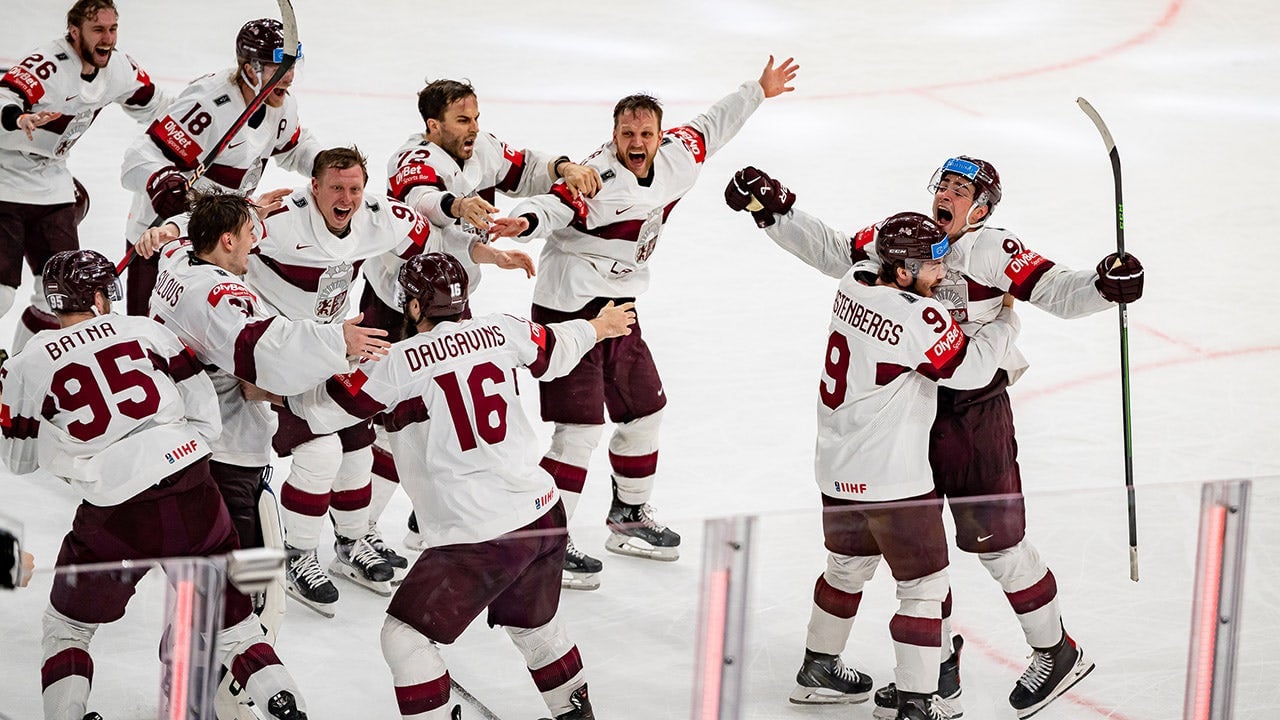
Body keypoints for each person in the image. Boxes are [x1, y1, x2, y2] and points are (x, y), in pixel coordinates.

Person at [726, 159, 1145, 718]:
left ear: (981, 209)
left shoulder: (994, 249)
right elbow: (835, 252)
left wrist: (1101, 286)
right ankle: (935, 676)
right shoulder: (905, 239)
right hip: (910, 415)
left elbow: (1056, 290)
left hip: (973, 415)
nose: (945, 194)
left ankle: (1055, 651)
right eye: (942, 184)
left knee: (999, 545)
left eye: (960, 189)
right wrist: (777, 215)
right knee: (924, 557)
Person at [262, 252, 635, 719]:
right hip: (542, 516)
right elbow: (558, 347)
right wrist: (599, 326)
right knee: (537, 628)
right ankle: (576, 714)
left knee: (404, 637)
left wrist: (266, 389)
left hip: (478, 534)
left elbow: (320, 411)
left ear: (415, 307)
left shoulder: (395, 361)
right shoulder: (502, 328)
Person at [489, 55, 799, 589]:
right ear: (612, 136)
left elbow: (712, 125)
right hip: (571, 309)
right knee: (579, 432)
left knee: (645, 412)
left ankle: (628, 515)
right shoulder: (600, 176)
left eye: (646, 132)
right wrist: (525, 222)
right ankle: (547, 546)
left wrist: (759, 89)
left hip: (623, 307)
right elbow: (557, 204)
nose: (637, 141)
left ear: (659, 136)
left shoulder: (678, 154)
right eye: (627, 133)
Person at [0, 249, 308, 720]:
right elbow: (204, 413)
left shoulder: (27, 362)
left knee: (67, 629)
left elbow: (18, 461)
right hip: (194, 490)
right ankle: (286, 707)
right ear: (102, 297)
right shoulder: (147, 330)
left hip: (114, 512)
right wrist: (175, 454)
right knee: (236, 630)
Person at [749, 212, 1020, 720]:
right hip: (893, 479)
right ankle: (917, 705)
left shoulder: (855, 283)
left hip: (835, 468)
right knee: (924, 587)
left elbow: (856, 250)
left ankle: (818, 669)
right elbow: (974, 369)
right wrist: (1006, 319)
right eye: (932, 266)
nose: (943, 275)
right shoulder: (919, 318)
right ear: (901, 271)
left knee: (846, 568)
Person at [245, 146, 534, 617]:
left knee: (360, 447)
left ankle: (352, 540)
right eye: (336, 188)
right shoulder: (276, 220)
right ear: (313, 187)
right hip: (278, 345)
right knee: (319, 452)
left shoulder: (378, 215)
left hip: (340, 342)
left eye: (354, 188)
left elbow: (433, 244)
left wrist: (489, 255)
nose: (347, 197)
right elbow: (216, 242)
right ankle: (296, 555)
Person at [134, 189, 390, 646]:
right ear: (228, 240)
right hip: (226, 451)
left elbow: (176, 235)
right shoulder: (221, 295)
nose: (258, 240)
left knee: (211, 572)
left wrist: (171, 228)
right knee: (239, 583)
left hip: (184, 437)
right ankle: (214, 673)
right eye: (251, 233)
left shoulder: (177, 259)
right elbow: (267, 352)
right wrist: (339, 343)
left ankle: (206, 663)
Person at [378, 78, 603, 552]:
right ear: (432, 125)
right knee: (393, 419)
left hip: (451, 297)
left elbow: (527, 167)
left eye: (476, 117)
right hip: (401, 302)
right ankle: (354, 532)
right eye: (463, 120)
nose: (474, 128)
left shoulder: (481, 147)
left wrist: (565, 166)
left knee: (444, 413)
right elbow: (421, 197)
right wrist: (458, 205)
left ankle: (429, 519)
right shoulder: (414, 158)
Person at [119, 17, 320, 317]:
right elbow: (137, 158)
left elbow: (296, 148)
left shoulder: (282, 105)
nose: (289, 77)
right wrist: (161, 181)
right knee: (152, 338)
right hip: (163, 238)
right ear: (251, 69)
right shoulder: (209, 103)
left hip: (221, 240)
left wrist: (328, 166)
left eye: (293, 66)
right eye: (280, 67)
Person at [0, 0, 169, 354]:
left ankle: (20, 368)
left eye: (112, 29)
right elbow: (5, 95)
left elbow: (157, 105)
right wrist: (17, 118)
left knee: (62, 295)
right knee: (0, 295)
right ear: (74, 32)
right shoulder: (49, 64)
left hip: (52, 181)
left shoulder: (118, 68)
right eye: (98, 30)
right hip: (4, 175)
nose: (107, 38)